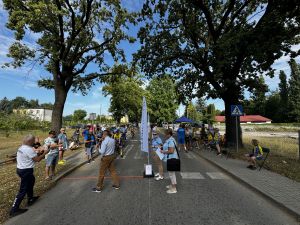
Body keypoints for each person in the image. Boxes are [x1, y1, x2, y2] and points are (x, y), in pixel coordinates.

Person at [9, 134, 49, 217]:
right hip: (26, 171)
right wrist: (45, 152)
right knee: (23, 190)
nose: (35, 142)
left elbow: (32, 156)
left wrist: (38, 152)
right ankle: (14, 209)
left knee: (31, 181)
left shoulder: (22, 147)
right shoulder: (29, 149)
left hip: (21, 169)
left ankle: (30, 199)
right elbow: (37, 160)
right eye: (34, 140)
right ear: (30, 141)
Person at [161, 129, 178, 194]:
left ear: (169, 134)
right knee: (171, 173)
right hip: (170, 158)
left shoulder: (171, 141)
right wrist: (162, 147)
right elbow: (167, 147)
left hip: (172, 158)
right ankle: (172, 185)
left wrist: (163, 151)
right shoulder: (169, 140)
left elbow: (171, 151)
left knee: (172, 174)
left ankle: (174, 189)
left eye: (166, 134)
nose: (164, 135)